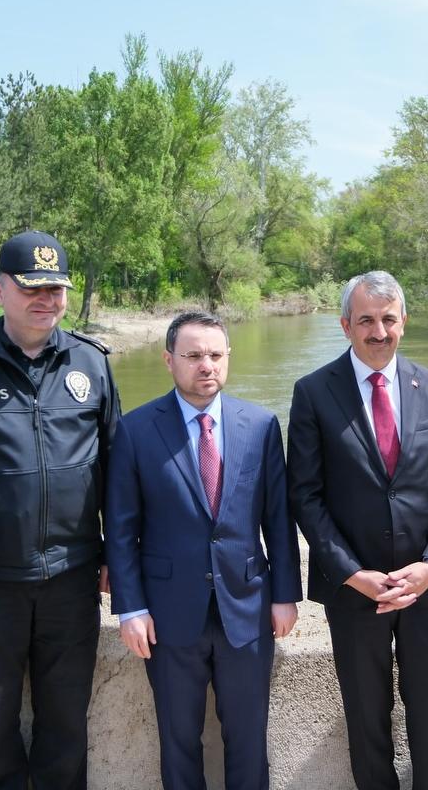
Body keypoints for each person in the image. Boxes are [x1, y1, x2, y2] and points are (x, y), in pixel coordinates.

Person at [0, 230, 121, 790]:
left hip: (73, 575)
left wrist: (114, 556)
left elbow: (115, 467)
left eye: (57, 288)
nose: (48, 300)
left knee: (65, 722)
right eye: (33, 288)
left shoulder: (92, 362)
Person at [287, 270, 428, 790]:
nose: (378, 331)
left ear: (404, 323)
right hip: (354, 592)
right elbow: (305, 494)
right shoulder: (312, 392)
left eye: (388, 319)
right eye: (366, 320)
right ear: (345, 324)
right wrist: (352, 573)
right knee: (367, 722)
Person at [104, 311, 301, 790]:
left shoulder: (259, 425)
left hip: (247, 607)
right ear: (169, 360)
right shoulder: (135, 430)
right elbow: (122, 529)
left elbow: (278, 518)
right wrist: (130, 607)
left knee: (249, 739)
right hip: (169, 617)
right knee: (178, 741)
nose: (206, 365)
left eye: (215, 355)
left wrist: (284, 595)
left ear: (228, 357)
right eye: (193, 356)